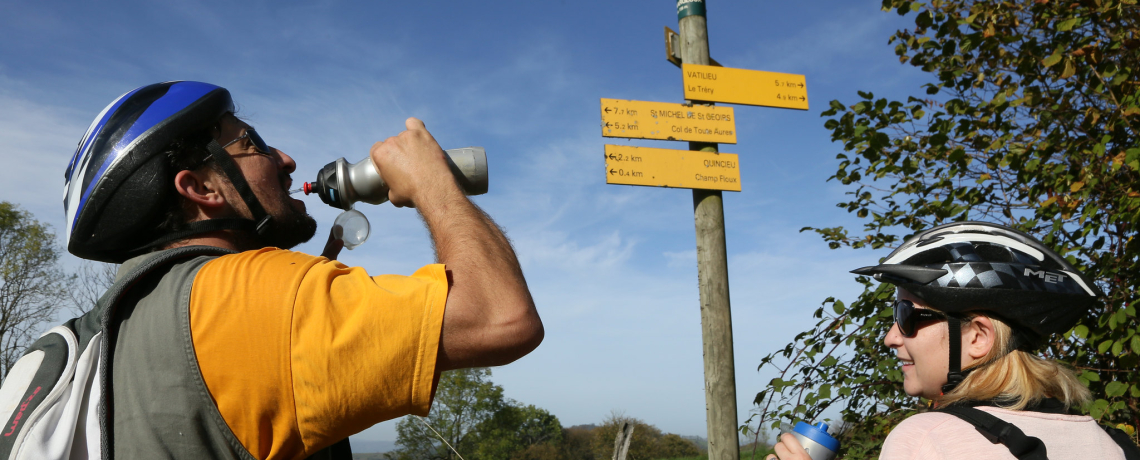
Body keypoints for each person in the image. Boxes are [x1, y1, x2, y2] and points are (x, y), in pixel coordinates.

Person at [53, 81, 542, 458]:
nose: (285, 160)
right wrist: (432, 182)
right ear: (202, 189)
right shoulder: (245, 297)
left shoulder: (109, 326)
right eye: (252, 143)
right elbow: (500, 317)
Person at [768, 222, 1131, 460]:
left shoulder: (928, 440)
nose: (890, 337)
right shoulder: (1110, 443)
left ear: (978, 337)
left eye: (906, 315)